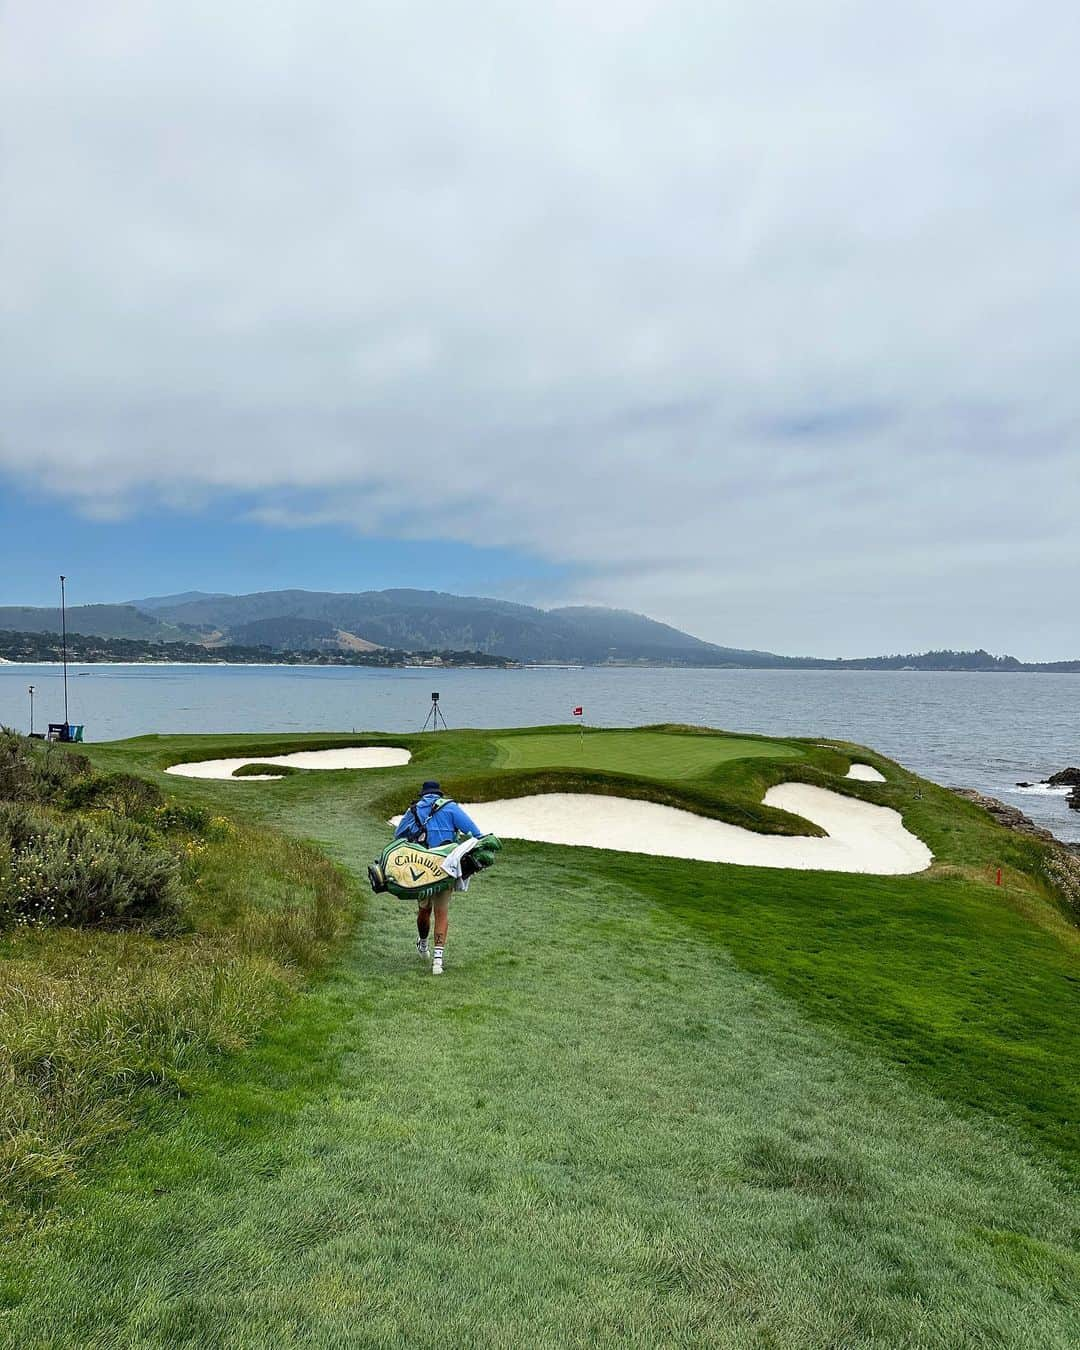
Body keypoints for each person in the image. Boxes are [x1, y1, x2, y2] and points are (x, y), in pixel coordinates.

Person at [394, 779, 484, 976]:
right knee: (442, 913)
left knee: (424, 910)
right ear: (439, 794)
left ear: (423, 795)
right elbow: (476, 835)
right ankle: (437, 962)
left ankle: (423, 945)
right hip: (445, 869)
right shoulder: (451, 808)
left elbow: (397, 836)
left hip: (421, 870)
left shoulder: (413, 810)